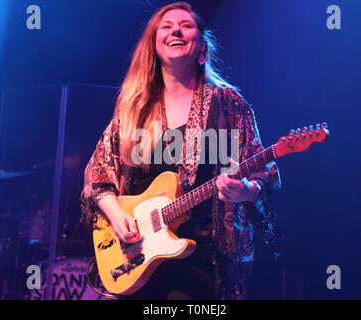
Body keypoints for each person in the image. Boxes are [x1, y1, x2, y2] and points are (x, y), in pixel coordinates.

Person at [80, 1, 281, 300]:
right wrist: (115, 213)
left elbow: (264, 172)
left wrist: (245, 191)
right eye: (167, 26)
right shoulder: (135, 107)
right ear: (154, 45)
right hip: (137, 252)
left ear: (202, 46)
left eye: (186, 25)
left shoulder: (228, 103)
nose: (176, 29)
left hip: (202, 254)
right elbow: (98, 174)